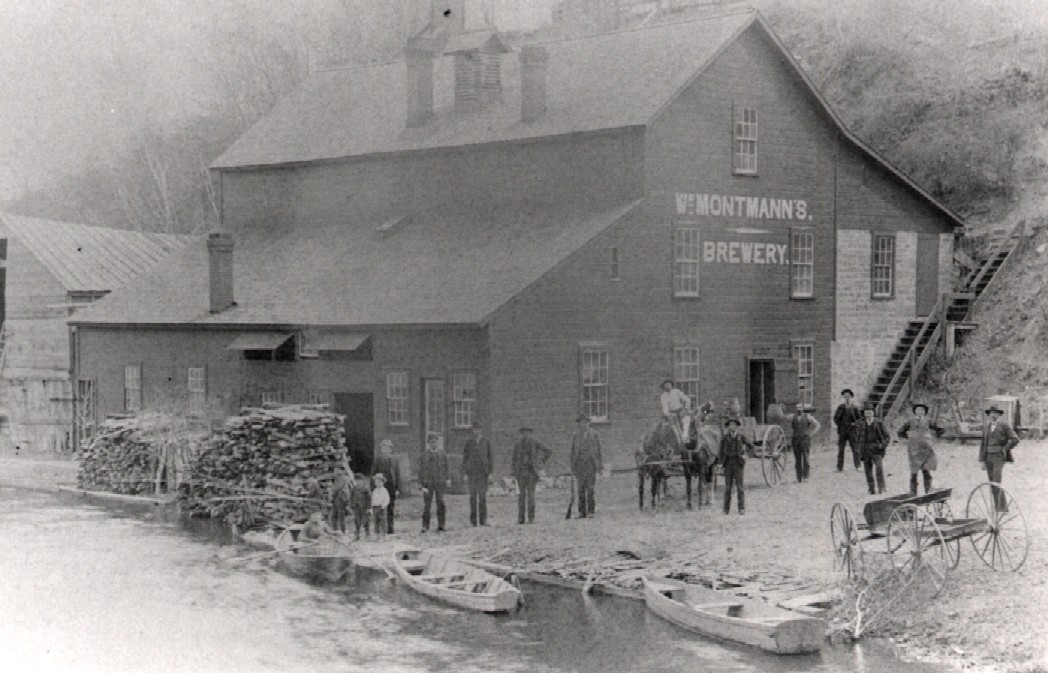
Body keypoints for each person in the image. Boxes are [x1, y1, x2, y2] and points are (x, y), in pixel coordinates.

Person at [897, 402, 946, 496]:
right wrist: (908, 439)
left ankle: (928, 493)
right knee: (913, 474)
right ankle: (913, 494)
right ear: (915, 412)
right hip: (914, 451)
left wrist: (934, 436)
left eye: (922, 410)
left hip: (926, 450)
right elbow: (900, 432)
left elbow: (941, 429)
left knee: (927, 472)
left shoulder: (928, 421)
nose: (920, 412)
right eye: (918, 410)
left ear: (925, 412)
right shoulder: (910, 422)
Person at [978, 405, 1020, 512]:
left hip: (998, 457)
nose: (993, 415)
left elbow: (1015, 439)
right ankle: (998, 508)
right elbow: (983, 443)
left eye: (995, 413)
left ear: (999, 414)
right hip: (987, 457)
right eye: (991, 413)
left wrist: (1005, 449)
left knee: (996, 482)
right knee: (991, 483)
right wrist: (981, 460)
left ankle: (1003, 509)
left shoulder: (1004, 425)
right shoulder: (986, 426)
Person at [511, 426, 552, 524]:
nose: (526, 434)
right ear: (521, 434)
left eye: (528, 432)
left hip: (531, 473)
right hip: (520, 473)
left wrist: (540, 462)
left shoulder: (535, 443)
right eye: (524, 432)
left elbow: (548, 451)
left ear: (530, 433)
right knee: (521, 496)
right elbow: (513, 459)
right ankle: (521, 518)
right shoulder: (517, 444)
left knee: (531, 496)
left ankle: (531, 518)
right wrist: (513, 472)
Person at [569, 414, 604, 518]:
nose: (584, 424)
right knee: (580, 489)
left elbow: (599, 450)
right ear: (579, 424)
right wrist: (572, 466)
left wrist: (600, 466)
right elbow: (572, 452)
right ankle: (581, 512)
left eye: (586, 422)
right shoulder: (575, 435)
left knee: (590, 489)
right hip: (579, 465)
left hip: (591, 465)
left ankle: (591, 511)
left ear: (589, 423)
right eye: (581, 422)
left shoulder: (594, 434)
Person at [852, 403, 889, 495]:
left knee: (879, 468)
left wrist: (882, 445)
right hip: (865, 450)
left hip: (876, 449)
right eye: (866, 412)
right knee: (868, 471)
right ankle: (871, 488)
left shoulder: (879, 423)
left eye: (870, 412)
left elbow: (887, 437)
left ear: (873, 413)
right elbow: (855, 436)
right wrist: (858, 447)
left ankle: (881, 487)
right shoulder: (860, 424)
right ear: (864, 414)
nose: (868, 414)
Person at [461, 423, 493, 526]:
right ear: (472, 431)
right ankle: (473, 521)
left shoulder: (486, 442)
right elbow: (465, 458)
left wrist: (490, 473)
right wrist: (465, 473)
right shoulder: (469, 442)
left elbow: (490, 458)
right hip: (472, 473)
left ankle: (483, 520)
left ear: (481, 430)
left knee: (482, 497)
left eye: (478, 429)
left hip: (483, 473)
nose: (476, 431)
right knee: (473, 497)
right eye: (475, 430)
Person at [719, 418, 752, 515]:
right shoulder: (724, 438)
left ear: (737, 426)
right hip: (728, 464)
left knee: (740, 487)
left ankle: (741, 508)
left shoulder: (741, 437)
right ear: (728, 427)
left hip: (738, 464)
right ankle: (726, 510)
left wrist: (746, 455)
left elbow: (751, 447)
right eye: (730, 425)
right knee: (728, 488)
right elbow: (720, 452)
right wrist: (721, 463)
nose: (732, 427)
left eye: (734, 425)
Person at [419, 434, 450, 533]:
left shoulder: (442, 454)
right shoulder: (424, 454)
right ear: (428, 443)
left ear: (438, 442)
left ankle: (441, 525)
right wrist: (420, 483)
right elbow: (420, 470)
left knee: (441, 502)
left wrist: (448, 479)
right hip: (428, 483)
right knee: (427, 505)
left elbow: (447, 468)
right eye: (432, 442)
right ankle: (425, 526)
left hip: (440, 482)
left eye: (435, 441)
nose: (434, 444)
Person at [370, 439, 402, 534]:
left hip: (391, 487)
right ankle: (381, 528)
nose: (386, 450)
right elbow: (372, 474)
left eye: (388, 448)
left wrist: (397, 488)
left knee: (391, 507)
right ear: (381, 449)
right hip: (381, 488)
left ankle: (390, 527)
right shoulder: (377, 460)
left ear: (391, 449)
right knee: (380, 508)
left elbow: (398, 475)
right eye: (384, 447)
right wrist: (372, 489)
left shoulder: (394, 461)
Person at [789, 403, 821, 483]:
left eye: (800, 407)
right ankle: (798, 478)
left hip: (805, 440)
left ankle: (806, 477)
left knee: (806, 458)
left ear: (802, 408)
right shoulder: (793, 416)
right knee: (797, 459)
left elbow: (817, 425)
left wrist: (812, 434)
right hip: (796, 440)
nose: (798, 409)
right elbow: (783, 418)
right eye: (797, 408)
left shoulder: (808, 416)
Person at [833, 389, 863, 472]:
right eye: (845, 397)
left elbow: (860, 419)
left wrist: (855, 424)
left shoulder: (855, 407)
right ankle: (839, 468)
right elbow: (835, 418)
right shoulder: (841, 407)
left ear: (851, 397)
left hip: (852, 430)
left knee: (855, 449)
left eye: (848, 397)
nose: (847, 398)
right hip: (842, 430)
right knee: (841, 449)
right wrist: (840, 425)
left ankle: (858, 466)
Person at [329, 465, 352, 534]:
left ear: (341, 471)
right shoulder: (343, 478)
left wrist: (331, 496)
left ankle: (340, 530)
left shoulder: (340, 478)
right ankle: (339, 530)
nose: (335, 471)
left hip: (340, 498)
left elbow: (336, 489)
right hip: (340, 498)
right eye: (334, 470)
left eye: (336, 470)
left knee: (337, 515)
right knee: (338, 515)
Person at [350, 472, 372, 540]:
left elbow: (369, 499)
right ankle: (357, 535)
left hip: (364, 507)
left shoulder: (365, 489)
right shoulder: (353, 489)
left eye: (360, 481)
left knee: (365, 521)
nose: (358, 482)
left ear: (363, 481)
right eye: (356, 481)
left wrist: (369, 508)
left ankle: (367, 534)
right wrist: (351, 506)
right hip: (356, 507)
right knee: (357, 521)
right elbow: (351, 498)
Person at [370, 473, 391, 538]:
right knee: (376, 521)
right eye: (376, 482)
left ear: (383, 482)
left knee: (383, 521)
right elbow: (372, 499)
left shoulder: (384, 490)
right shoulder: (374, 490)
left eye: (380, 482)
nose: (378, 483)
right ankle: (377, 534)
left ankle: (384, 534)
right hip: (375, 507)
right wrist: (371, 507)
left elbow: (387, 499)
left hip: (382, 508)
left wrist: (384, 505)